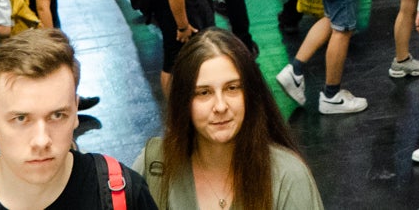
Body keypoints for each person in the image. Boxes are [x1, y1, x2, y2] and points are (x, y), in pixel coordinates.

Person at [0, 29, 161, 210]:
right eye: (20, 118)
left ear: (75, 112)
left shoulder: (123, 193)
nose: (41, 140)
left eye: (57, 115)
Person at [137, 29, 324, 210]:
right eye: (204, 92)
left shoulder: (287, 176)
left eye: (232, 88)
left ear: (251, 94)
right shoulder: (155, 166)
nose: (220, 106)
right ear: (183, 101)